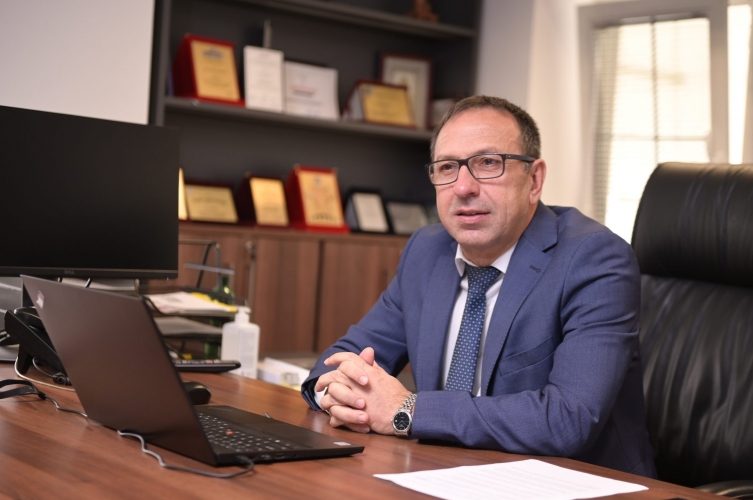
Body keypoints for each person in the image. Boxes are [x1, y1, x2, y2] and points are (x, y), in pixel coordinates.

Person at [300, 95, 656, 477]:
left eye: (488, 163)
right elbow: (342, 359)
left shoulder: (594, 259)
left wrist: (407, 411)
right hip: (442, 474)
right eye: (447, 167)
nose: (463, 187)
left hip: (575, 485)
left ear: (534, 180)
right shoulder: (427, 251)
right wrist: (338, 393)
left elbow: (569, 418)